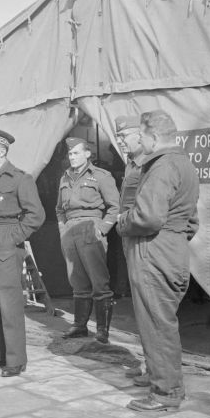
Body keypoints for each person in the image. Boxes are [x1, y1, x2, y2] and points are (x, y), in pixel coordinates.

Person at [118, 110, 199, 412]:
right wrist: (173, 239)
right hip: (173, 249)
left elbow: (148, 217)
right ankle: (161, 377)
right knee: (162, 320)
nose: (139, 140)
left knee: (156, 324)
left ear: (152, 137)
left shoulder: (161, 167)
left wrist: (123, 221)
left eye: (141, 134)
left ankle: (165, 393)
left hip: (153, 251)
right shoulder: (183, 164)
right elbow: (192, 222)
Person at [0, 127, 45, 377]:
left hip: (5, 240)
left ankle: (14, 359)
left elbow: (36, 215)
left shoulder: (19, 179)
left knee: (8, 302)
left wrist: (14, 237)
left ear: (2, 151)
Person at [56, 137, 119, 343]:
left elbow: (115, 207)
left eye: (76, 153)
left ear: (87, 154)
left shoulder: (101, 176)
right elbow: (59, 209)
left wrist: (101, 229)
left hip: (91, 227)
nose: (72, 157)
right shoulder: (64, 177)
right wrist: (62, 228)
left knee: (99, 281)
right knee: (77, 281)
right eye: (70, 154)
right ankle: (80, 326)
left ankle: (102, 331)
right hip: (70, 230)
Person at [114, 115, 149, 380]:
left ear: (141, 134)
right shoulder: (131, 164)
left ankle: (155, 368)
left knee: (150, 306)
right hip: (130, 237)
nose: (121, 141)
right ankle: (150, 363)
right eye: (119, 136)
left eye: (125, 136)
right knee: (141, 304)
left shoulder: (150, 164)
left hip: (143, 239)